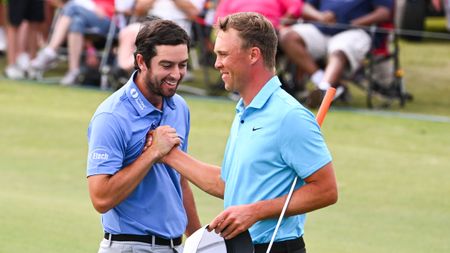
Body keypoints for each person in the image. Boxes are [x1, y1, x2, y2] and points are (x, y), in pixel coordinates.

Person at [156, 12, 338, 253]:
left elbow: (326, 190)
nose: (217, 63)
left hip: (277, 247)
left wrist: (255, 211)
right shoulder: (244, 111)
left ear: (253, 55)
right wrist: (169, 155)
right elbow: (228, 184)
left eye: (223, 54)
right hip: (241, 247)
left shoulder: (289, 116)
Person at [86, 19, 201, 253]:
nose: (176, 74)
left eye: (183, 65)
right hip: (128, 246)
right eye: (167, 65)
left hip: (175, 246)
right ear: (141, 61)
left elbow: (180, 182)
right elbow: (101, 199)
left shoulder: (179, 107)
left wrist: (199, 241)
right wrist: (152, 153)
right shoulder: (111, 116)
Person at [279, 0, 393, 107]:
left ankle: (324, 88)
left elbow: (384, 12)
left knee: (340, 49)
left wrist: (357, 22)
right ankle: (324, 83)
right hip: (322, 28)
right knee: (288, 36)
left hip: (355, 31)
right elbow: (305, 6)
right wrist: (320, 16)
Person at [30, 0, 116, 85]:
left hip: (109, 20)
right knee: (76, 22)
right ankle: (74, 71)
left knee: (71, 7)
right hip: (86, 16)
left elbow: (123, 8)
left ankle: (50, 51)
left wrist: (101, 8)